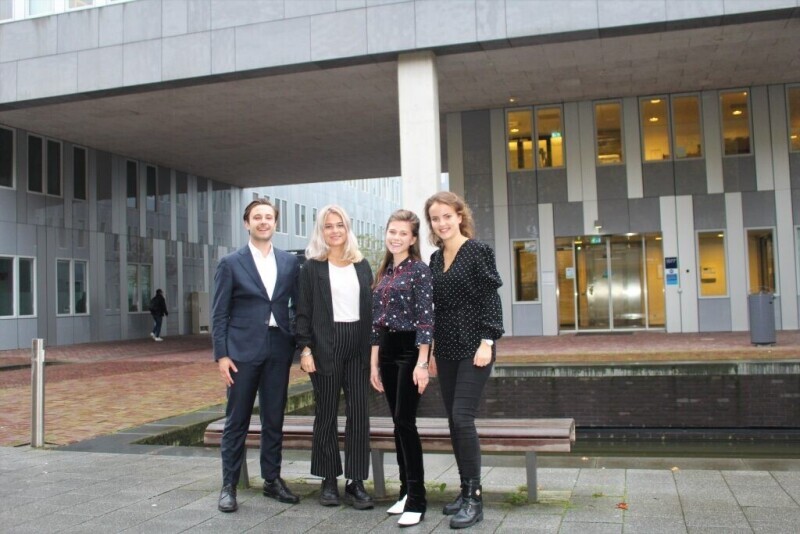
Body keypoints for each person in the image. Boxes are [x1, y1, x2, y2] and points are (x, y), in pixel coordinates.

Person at [211, 198, 301, 513]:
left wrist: (297, 341)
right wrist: (222, 355)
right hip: (241, 352)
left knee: (273, 418)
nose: (263, 222)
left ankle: (272, 480)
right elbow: (219, 313)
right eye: (257, 217)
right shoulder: (230, 263)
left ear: (275, 223)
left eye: (268, 217)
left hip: (279, 348)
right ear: (247, 223)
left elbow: (297, 306)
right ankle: (229, 486)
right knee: (237, 420)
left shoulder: (289, 262)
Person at [424, 191, 504, 530]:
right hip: (446, 348)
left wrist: (487, 341)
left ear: (460, 216)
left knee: (462, 417)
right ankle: (464, 489)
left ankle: (475, 498)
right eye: (435, 218)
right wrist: (430, 351)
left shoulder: (477, 251)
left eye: (447, 216)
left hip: (475, 346)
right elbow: (435, 309)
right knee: (453, 422)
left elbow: (490, 298)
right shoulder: (434, 258)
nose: (441, 223)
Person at [296, 204, 374, 510]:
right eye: (328, 226)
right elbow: (303, 312)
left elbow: (371, 311)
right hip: (325, 346)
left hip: (358, 346)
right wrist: (305, 349)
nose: (334, 231)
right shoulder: (311, 268)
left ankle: (356, 481)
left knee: (359, 415)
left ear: (347, 228)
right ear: (321, 231)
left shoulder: (362, 265)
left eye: (339, 225)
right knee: (326, 414)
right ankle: (329, 480)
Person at [369, 209, 433, 527]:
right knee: (397, 423)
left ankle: (418, 499)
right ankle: (405, 492)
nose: (395, 237)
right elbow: (375, 323)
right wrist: (373, 364)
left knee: (406, 423)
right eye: (392, 231)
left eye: (402, 233)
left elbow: (425, 321)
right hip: (387, 350)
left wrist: (422, 362)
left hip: (410, 350)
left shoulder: (419, 270)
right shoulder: (384, 272)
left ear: (413, 238)